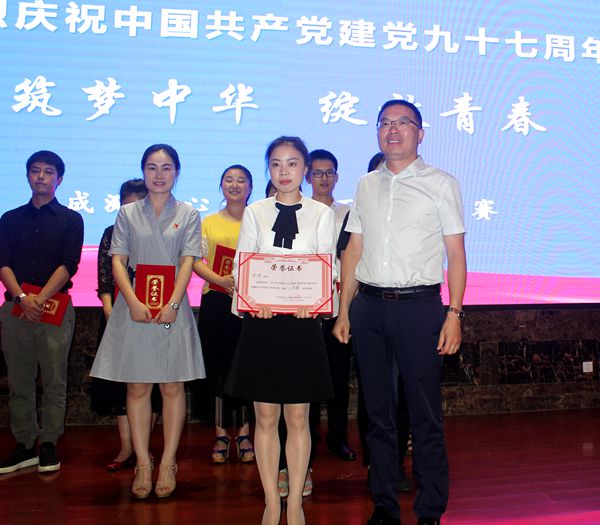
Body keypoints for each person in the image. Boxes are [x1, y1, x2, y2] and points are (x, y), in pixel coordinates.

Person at [333, 100, 467, 525]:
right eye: (385, 123)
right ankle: (385, 505)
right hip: (369, 308)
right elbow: (354, 250)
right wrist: (344, 310)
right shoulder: (365, 185)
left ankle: (430, 509)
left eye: (402, 123)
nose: (393, 130)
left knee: (425, 414)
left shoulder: (441, 184)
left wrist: (455, 313)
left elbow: (455, 254)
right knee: (378, 414)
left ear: (420, 133)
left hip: (419, 309)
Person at [225, 136, 335, 525]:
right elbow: (243, 263)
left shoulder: (321, 214)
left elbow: (328, 265)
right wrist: (252, 300)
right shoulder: (255, 212)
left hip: (303, 325)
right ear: (268, 169)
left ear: (305, 169)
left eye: (291, 163)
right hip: (263, 323)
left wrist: (317, 303)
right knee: (266, 417)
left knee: (299, 418)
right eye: (275, 163)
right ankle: (272, 501)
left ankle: (296, 504)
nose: (284, 171)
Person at [90, 144, 205, 499]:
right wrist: (132, 301)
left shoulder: (188, 213)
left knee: (172, 386)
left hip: (173, 308)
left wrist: (173, 303)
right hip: (134, 307)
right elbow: (117, 261)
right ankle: (142, 462)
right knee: (137, 386)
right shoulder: (127, 213)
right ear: (143, 171)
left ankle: (168, 461)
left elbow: (188, 261)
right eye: (152, 167)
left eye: (166, 167)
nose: (159, 174)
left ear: (177, 172)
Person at [0, 150, 83, 474]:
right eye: (35, 171)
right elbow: (3, 262)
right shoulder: (9, 219)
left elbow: (69, 264)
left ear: (59, 179)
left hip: (55, 308)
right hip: (15, 308)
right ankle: (24, 444)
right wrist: (22, 298)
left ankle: (48, 443)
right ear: (27, 176)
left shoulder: (71, 219)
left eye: (48, 172)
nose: (41, 176)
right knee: (19, 380)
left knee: (54, 380)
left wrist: (39, 299)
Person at [91, 178, 162, 471]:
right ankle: (126, 447)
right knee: (120, 384)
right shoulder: (111, 232)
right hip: (118, 316)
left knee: (150, 383)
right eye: (126, 204)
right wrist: (111, 314)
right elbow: (105, 277)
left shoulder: (158, 231)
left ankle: (143, 446)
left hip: (154, 315)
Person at [192, 165, 255, 464]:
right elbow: (194, 260)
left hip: (248, 304)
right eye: (229, 180)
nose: (235, 185)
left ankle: (244, 433)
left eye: (241, 180)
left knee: (243, 368)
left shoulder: (258, 219)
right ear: (221, 186)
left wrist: (243, 284)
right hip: (216, 301)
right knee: (217, 369)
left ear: (250, 187)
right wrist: (220, 280)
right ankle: (220, 434)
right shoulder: (209, 222)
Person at [306, 149, 357, 462]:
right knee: (309, 379)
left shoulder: (349, 214)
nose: (323, 178)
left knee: (339, 378)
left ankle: (338, 438)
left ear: (337, 177)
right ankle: (307, 439)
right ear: (308, 177)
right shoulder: (300, 212)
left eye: (329, 173)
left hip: (340, 307)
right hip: (306, 309)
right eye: (317, 173)